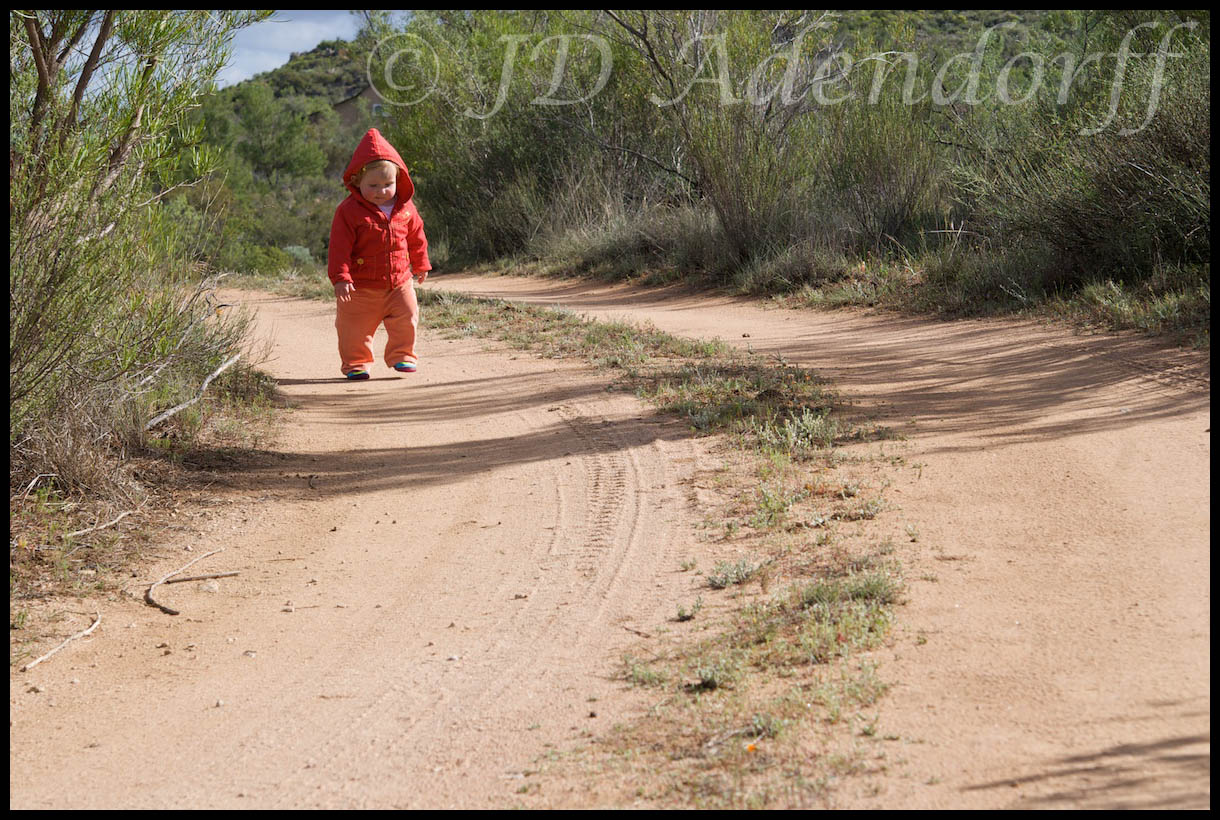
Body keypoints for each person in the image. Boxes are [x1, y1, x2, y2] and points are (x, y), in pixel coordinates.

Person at [327, 128, 432, 380]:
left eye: (388, 185)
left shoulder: (405, 208)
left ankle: (402, 356)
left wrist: (420, 264)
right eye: (373, 185)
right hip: (360, 288)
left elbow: (416, 236)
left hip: (399, 283)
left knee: (407, 318)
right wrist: (341, 278)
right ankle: (356, 363)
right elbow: (339, 247)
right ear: (356, 182)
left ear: (399, 181)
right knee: (354, 328)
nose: (381, 191)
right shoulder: (349, 211)